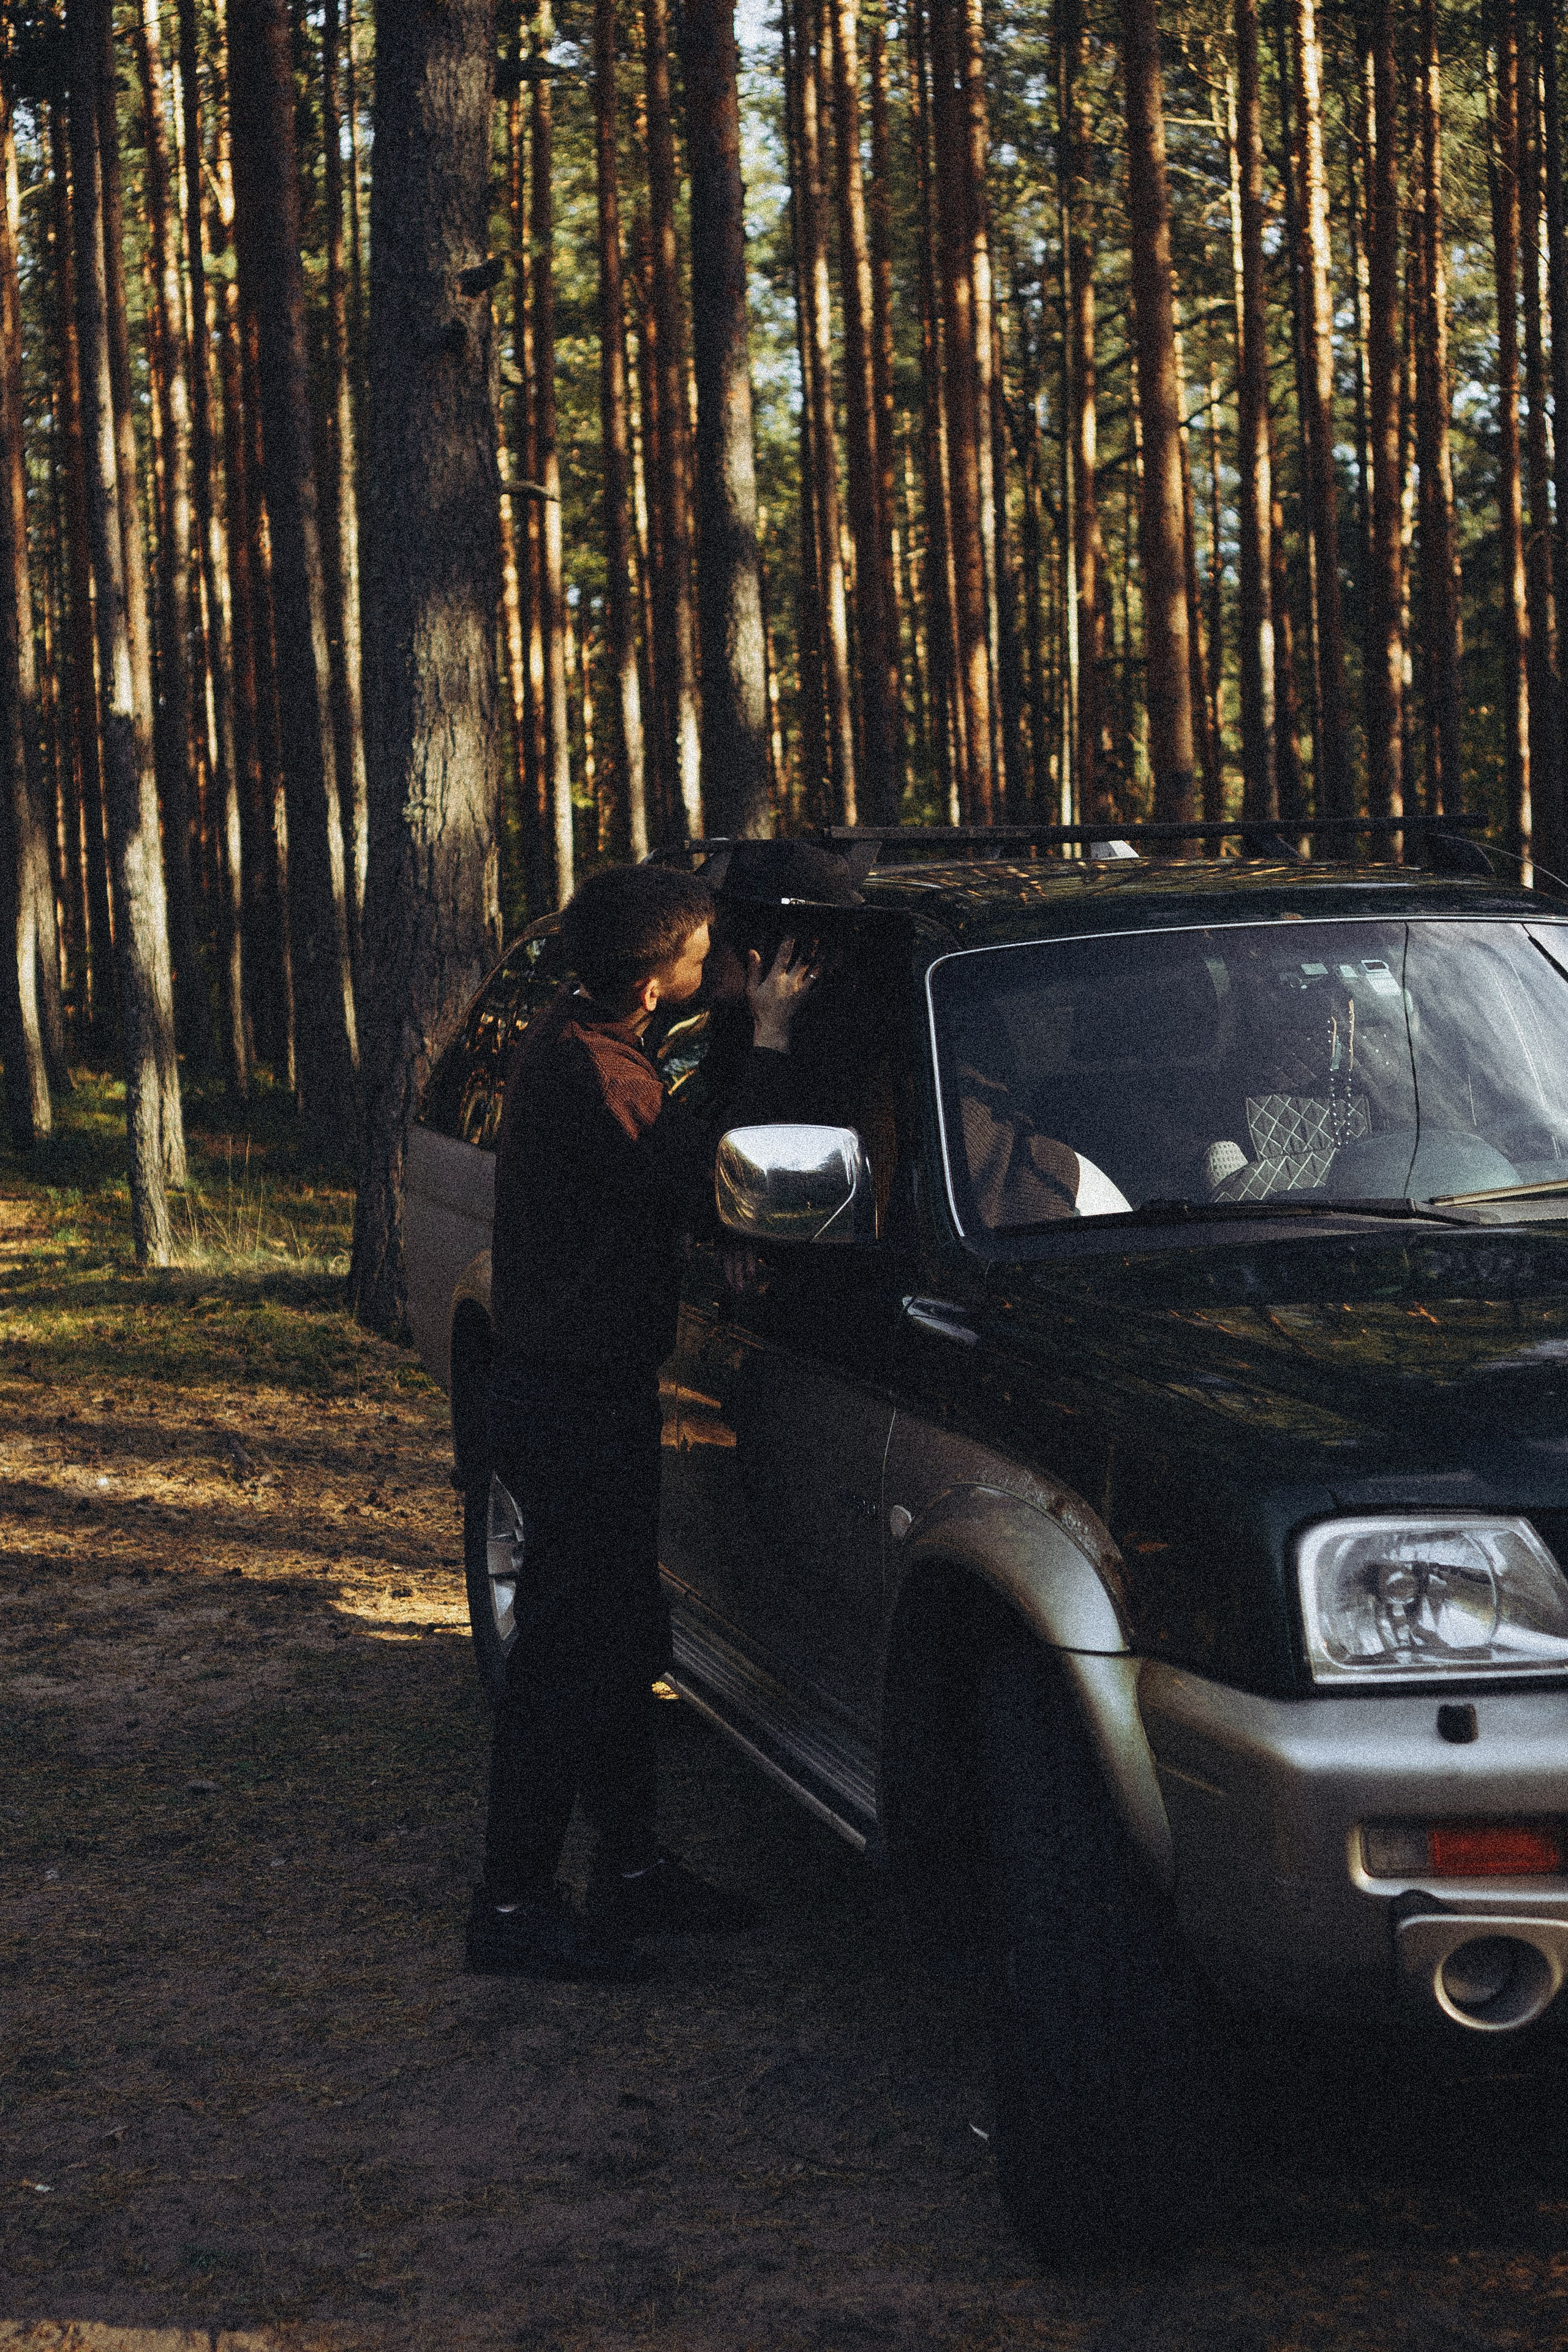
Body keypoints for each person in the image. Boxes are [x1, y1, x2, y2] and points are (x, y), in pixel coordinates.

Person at [467, 862, 816, 1981]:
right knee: (569, 1653)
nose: (719, 960)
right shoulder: (595, 1073)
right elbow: (717, 1181)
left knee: (620, 1637)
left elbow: (667, 1146)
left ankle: (627, 1868)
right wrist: (765, 1040)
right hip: (570, 1401)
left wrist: (725, 1029)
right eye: (703, 949)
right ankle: (512, 1906)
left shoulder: (594, 1039)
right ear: (655, 978)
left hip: (581, 1391)